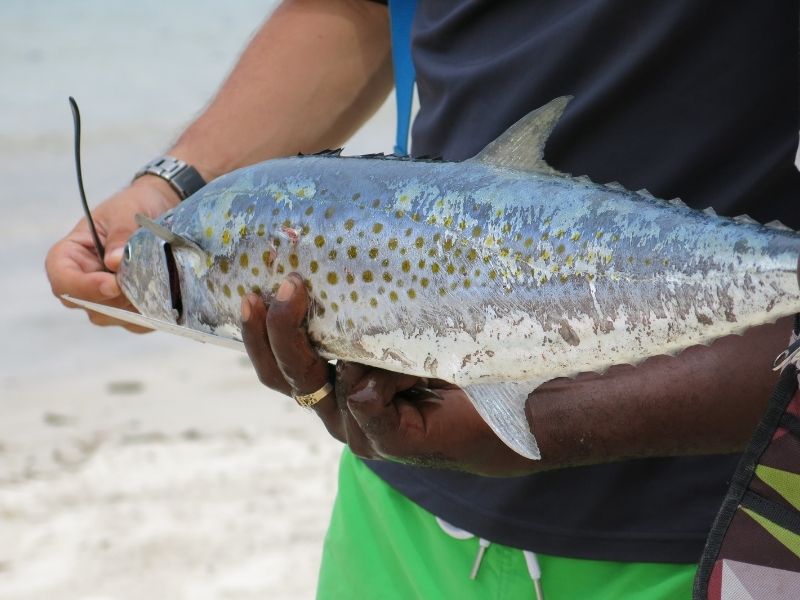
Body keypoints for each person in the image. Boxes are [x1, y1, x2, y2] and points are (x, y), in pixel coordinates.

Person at [47, 1, 800, 597]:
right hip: (395, 507)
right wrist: (173, 185)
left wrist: (562, 419)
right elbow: (362, 8)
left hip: (721, 527)